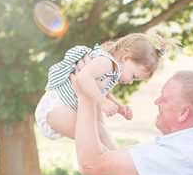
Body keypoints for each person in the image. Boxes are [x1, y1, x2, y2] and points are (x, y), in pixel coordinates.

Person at [37, 33, 174, 143]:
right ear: (127, 58)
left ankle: (117, 163)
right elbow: (84, 77)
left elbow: (104, 93)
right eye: (134, 76)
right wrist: (102, 103)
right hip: (56, 107)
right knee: (92, 140)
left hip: (65, 109)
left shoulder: (112, 71)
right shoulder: (105, 62)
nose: (131, 82)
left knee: (99, 138)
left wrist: (119, 108)